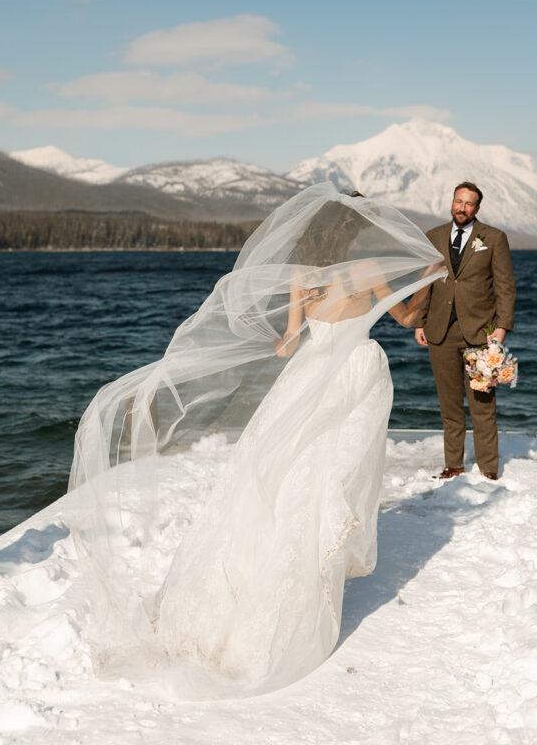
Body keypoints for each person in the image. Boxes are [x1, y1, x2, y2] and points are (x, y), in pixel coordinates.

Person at [68, 183, 445, 697]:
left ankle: (243, 593)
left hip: (309, 374)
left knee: (289, 470)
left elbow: (288, 346)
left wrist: (286, 337)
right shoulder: (370, 272)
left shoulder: (301, 280)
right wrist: (424, 282)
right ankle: (313, 571)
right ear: (353, 233)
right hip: (355, 370)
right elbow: (406, 319)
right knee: (335, 469)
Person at [414, 182, 516, 480]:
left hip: (482, 334)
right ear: (452, 202)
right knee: (449, 405)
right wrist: (420, 321)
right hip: (440, 332)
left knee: (482, 405)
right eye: (458, 201)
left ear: (477, 208)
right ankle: (454, 465)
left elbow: (506, 287)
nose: (462, 207)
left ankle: (488, 471)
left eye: (468, 204)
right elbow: (425, 284)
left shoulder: (494, 238)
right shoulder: (433, 237)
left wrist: (501, 327)